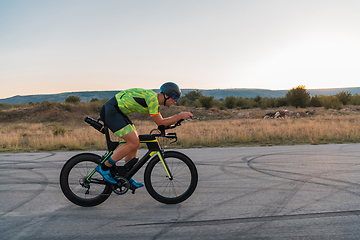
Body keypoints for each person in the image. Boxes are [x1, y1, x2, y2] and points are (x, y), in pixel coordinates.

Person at [96, 82, 193, 188]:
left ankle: (126, 175)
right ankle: (104, 167)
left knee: (135, 143)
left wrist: (178, 119)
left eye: (177, 98)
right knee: (133, 142)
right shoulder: (152, 100)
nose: (175, 101)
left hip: (118, 112)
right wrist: (179, 116)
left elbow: (162, 123)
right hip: (111, 111)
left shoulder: (154, 101)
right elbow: (161, 123)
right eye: (175, 97)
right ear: (166, 95)